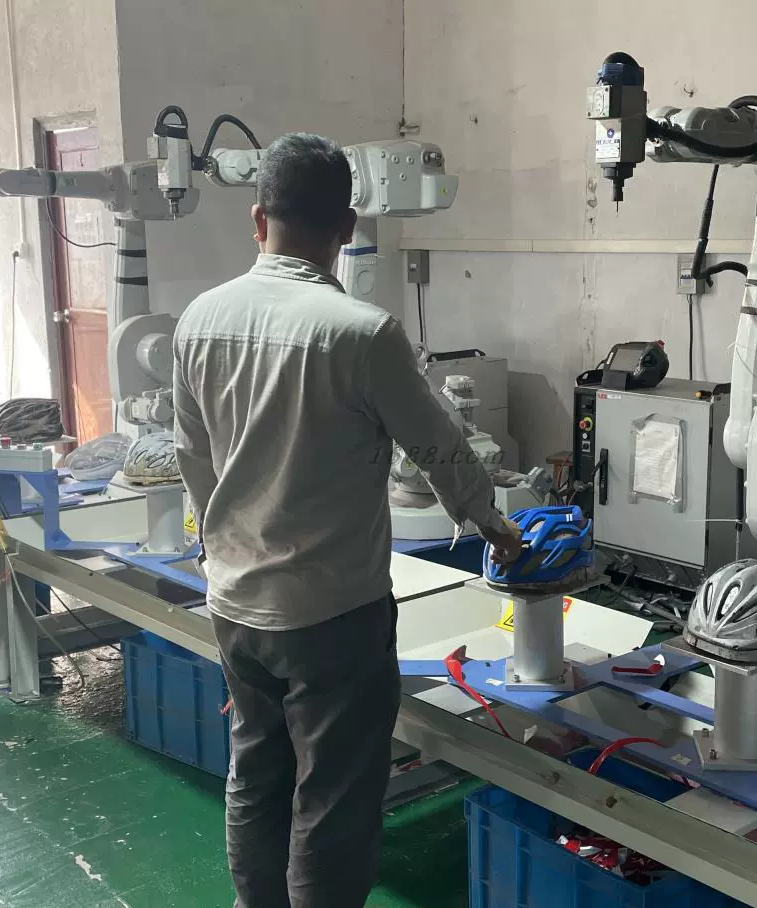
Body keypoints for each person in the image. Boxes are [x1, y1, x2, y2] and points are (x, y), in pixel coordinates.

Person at [173, 133, 523, 908]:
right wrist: (491, 522)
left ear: (257, 219)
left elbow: (192, 457)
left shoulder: (199, 319)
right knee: (333, 798)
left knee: (256, 773)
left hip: (235, 603)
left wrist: (214, 550)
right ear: (348, 225)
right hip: (332, 611)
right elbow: (438, 444)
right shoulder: (361, 332)